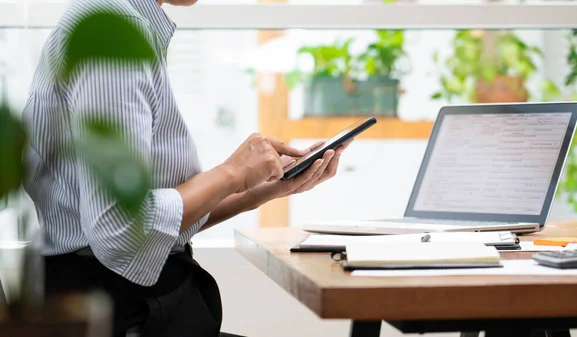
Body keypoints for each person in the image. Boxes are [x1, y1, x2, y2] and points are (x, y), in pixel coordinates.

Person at [21, 0, 350, 336]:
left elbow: (152, 222)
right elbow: (119, 229)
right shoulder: (114, 36)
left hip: (118, 302)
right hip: (120, 310)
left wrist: (258, 191)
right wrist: (231, 173)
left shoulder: (120, 24)